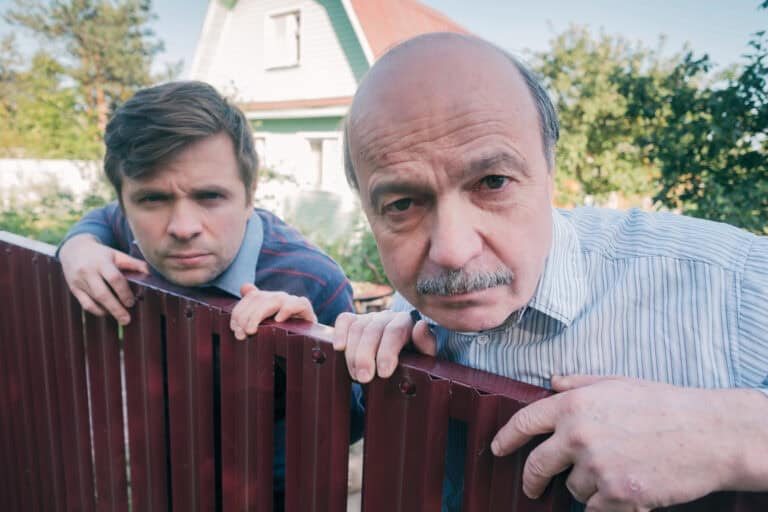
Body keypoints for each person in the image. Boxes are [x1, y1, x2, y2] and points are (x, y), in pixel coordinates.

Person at [333, 32, 768, 511]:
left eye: (492, 182)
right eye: (402, 204)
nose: (453, 251)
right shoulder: (413, 310)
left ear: (549, 171)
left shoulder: (730, 283)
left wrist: (728, 431)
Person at [57, 80, 364, 509]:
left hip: (276, 491)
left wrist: (309, 358)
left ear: (249, 196)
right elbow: (105, 217)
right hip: (165, 472)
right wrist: (78, 244)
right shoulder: (129, 227)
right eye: (153, 199)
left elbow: (354, 421)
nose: (183, 227)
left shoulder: (310, 279)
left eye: (210, 196)